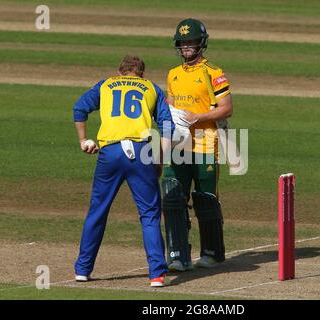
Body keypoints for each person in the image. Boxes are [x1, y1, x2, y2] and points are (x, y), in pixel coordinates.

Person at [72, 55, 173, 287]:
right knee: (149, 215)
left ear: (120, 72)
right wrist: (160, 160)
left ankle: (83, 269)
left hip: (110, 151)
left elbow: (79, 108)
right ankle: (156, 274)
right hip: (141, 151)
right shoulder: (152, 88)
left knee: (98, 211)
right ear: (142, 74)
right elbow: (167, 126)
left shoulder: (106, 84)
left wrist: (83, 140)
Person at [162, 18, 234, 271]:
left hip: (205, 146)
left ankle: (212, 253)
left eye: (191, 41)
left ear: (201, 43)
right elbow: (168, 107)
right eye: (182, 43)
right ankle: (178, 256)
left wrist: (198, 117)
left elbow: (227, 109)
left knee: (205, 200)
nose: (186, 47)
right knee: (173, 198)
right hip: (177, 146)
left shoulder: (213, 73)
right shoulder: (173, 74)